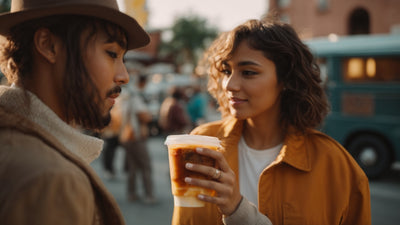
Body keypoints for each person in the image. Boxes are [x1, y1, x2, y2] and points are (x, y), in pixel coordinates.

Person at [171, 18, 371, 225]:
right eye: (226, 71)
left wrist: (237, 210)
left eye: (248, 72)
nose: (229, 84)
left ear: (286, 80)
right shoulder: (200, 143)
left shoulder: (336, 165)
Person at [0, 0, 149, 224]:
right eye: (111, 53)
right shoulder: (49, 178)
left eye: (122, 58)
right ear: (48, 45)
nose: (124, 76)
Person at [118, 74, 156, 204]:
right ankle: (149, 195)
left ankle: (131, 193)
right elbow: (144, 116)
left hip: (125, 135)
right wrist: (149, 116)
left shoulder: (124, 96)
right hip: (136, 136)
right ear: (142, 82)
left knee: (132, 167)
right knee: (145, 166)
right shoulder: (135, 96)